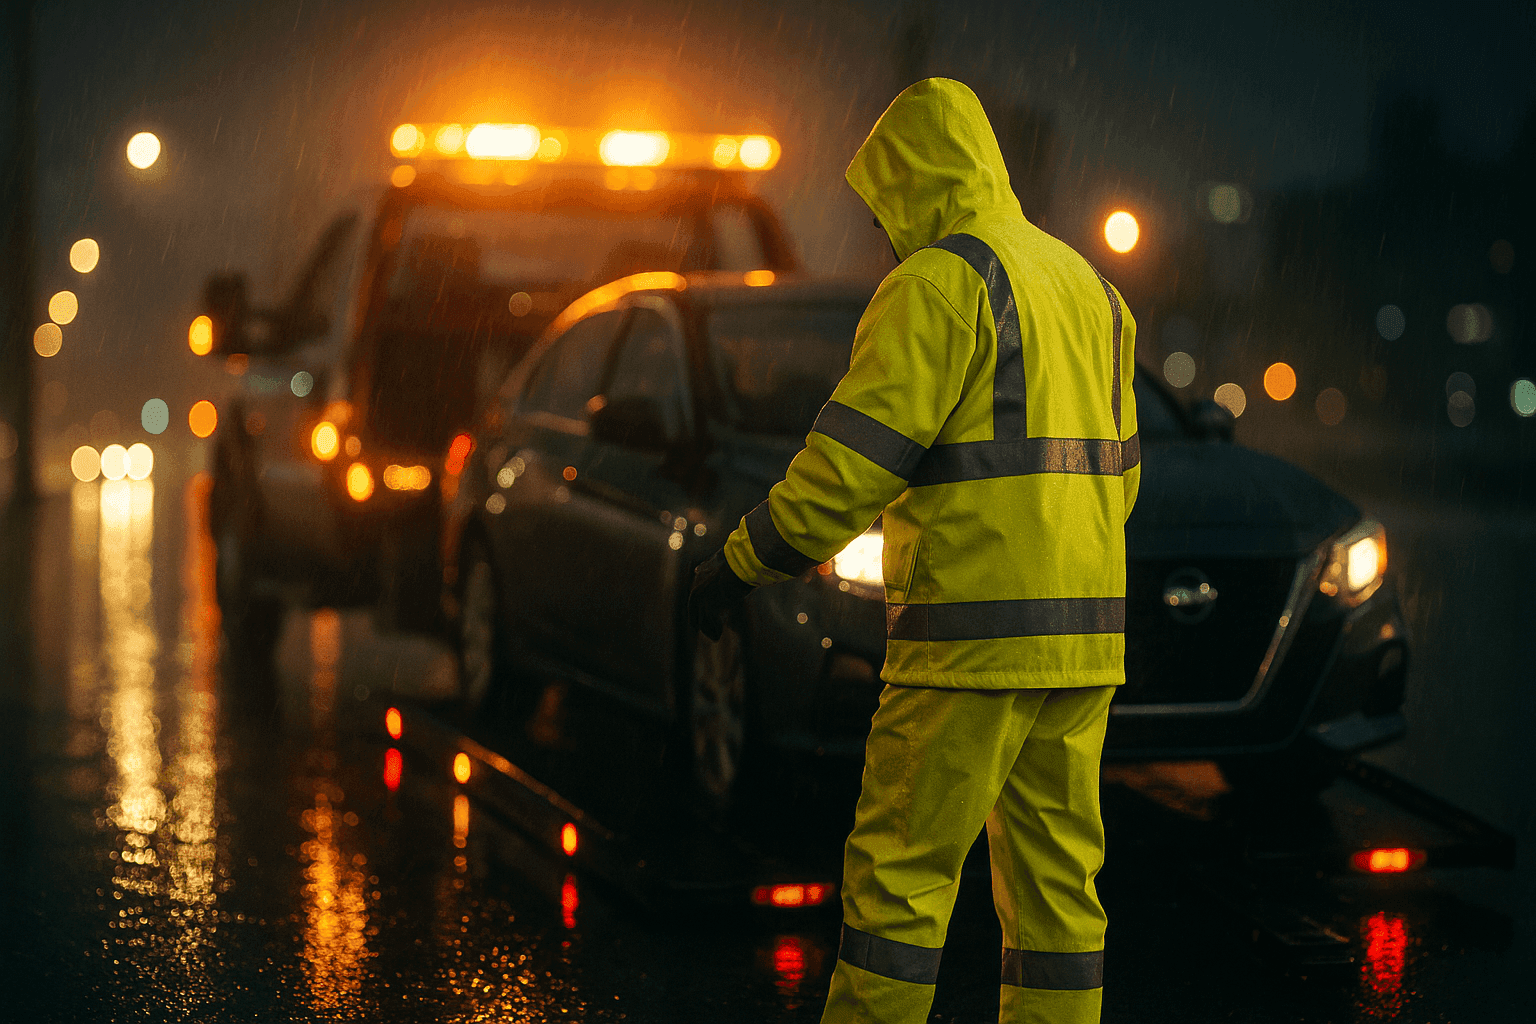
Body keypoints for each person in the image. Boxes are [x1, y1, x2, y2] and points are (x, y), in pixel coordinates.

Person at [689, 77, 1139, 1024]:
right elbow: (1119, 481)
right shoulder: (1091, 290)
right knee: (1060, 898)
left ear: (916, 180)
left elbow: (849, 469)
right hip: (1082, 648)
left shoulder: (939, 284)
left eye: (885, 199)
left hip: (964, 649)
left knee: (900, 883)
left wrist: (740, 561)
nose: (881, 225)